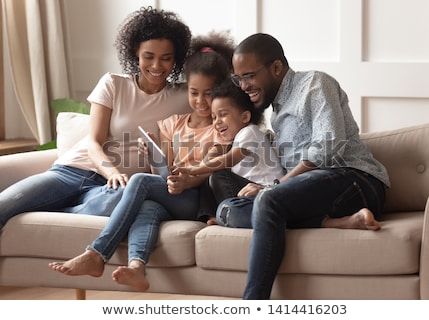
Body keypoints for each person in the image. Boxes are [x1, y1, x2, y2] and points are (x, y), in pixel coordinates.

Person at [48, 32, 235, 292]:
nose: (201, 101)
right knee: (147, 208)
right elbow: (164, 168)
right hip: (169, 193)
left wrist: (188, 178)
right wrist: (153, 159)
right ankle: (137, 267)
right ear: (187, 91)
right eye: (194, 93)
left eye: (209, 94)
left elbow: (213, 166)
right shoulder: (172, 123)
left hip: (194, 199)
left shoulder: (222, 128)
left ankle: (97, 254)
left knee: (138, 181)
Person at [225, 33, 390, 299]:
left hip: (355, 179)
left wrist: (274, 188)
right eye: (238, 78)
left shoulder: (315, 84)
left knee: (268, 201)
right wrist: (269, 186)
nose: (243, 86)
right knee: (227, 209)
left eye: (249, 76)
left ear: (276, 67)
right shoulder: (276, 111)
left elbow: (326, 148)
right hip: (315, 191)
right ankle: (337, 222)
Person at [0, 6, 192, 228]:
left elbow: (219, 90)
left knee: (122, 201)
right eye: (148, 56)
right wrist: (112, 173)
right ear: (135, 53)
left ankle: (61, 211)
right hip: (71, 172)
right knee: (5, 203)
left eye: (166, 58)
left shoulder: (185, 96)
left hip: (111, 191)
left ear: (175, 59)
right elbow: (93, 142)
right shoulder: (113, 83)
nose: (157, 66)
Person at [174, 79, 285, 227]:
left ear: (245, 117)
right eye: (214, 117)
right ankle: (210, 215)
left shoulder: (250, 132)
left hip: (264, 192)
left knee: (219, 174)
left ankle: (229, 213)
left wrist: (194, 168)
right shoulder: (236, 138)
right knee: (210, 178)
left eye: (223, 115)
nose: (217, 122)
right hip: (248, 191)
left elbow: (228, 160)